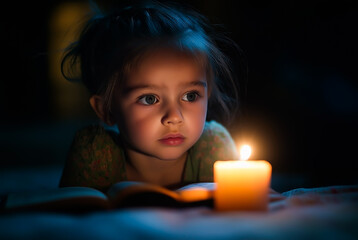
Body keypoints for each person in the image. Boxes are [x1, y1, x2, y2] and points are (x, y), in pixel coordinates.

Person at [59, 0, 243, 192]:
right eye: (149, 99)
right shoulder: (94, 155)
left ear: (208, 93)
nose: (174, 117)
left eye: (190, 96)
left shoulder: (212, 149)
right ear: (106, 108)